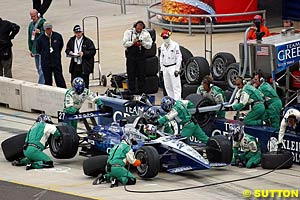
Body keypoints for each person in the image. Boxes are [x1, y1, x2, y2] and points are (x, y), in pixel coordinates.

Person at [123, 20, 153, 95]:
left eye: (141, 27)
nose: (139, 28)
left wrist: (142, 43)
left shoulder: (146, 34)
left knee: (141, 74)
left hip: (141, 55)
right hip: (131, 56)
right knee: (131, 73)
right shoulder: (128, 32)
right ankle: (131, 91)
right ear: (135, 26)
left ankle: (141, 91)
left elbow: (149, 45)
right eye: (138, 26)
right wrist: (133, 42)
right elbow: (124, 43)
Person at [36, 21, 67, 88]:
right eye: (47, 29)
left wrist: (56, 53)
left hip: (56, 61)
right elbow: (38, 50)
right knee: (48, 80)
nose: (49, 30)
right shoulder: (40, 39)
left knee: (59, 79)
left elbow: (60, 46)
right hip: (46, 63)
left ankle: (63, 92)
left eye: (50, 28)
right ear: (44, 29)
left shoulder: (57, 36)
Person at [159, 29, 182, 100]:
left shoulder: (175, 45)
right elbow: (161, 58)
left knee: (176, 86)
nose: (165, 39)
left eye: (166, 37)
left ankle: (177, 101)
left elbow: (179, 57)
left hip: (173, 67)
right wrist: (162, 68)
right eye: (164, 38)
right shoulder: (162, 46)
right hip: (165, 68)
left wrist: (177, 69)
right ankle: (171, 101)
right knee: (168, 86)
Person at [28, 9, 46, 84]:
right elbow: (29, 37)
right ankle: (44, 81)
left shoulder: (43, 23)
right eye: (31, 16)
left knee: (41, 68)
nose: (33, 18)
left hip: (42, 49)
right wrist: (31, 49)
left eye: (34, 16)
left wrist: (40, 32)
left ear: (38, 15)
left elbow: (47, 34)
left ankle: (41, 83)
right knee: (38, 69)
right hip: (35, 49)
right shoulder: (31, 25)